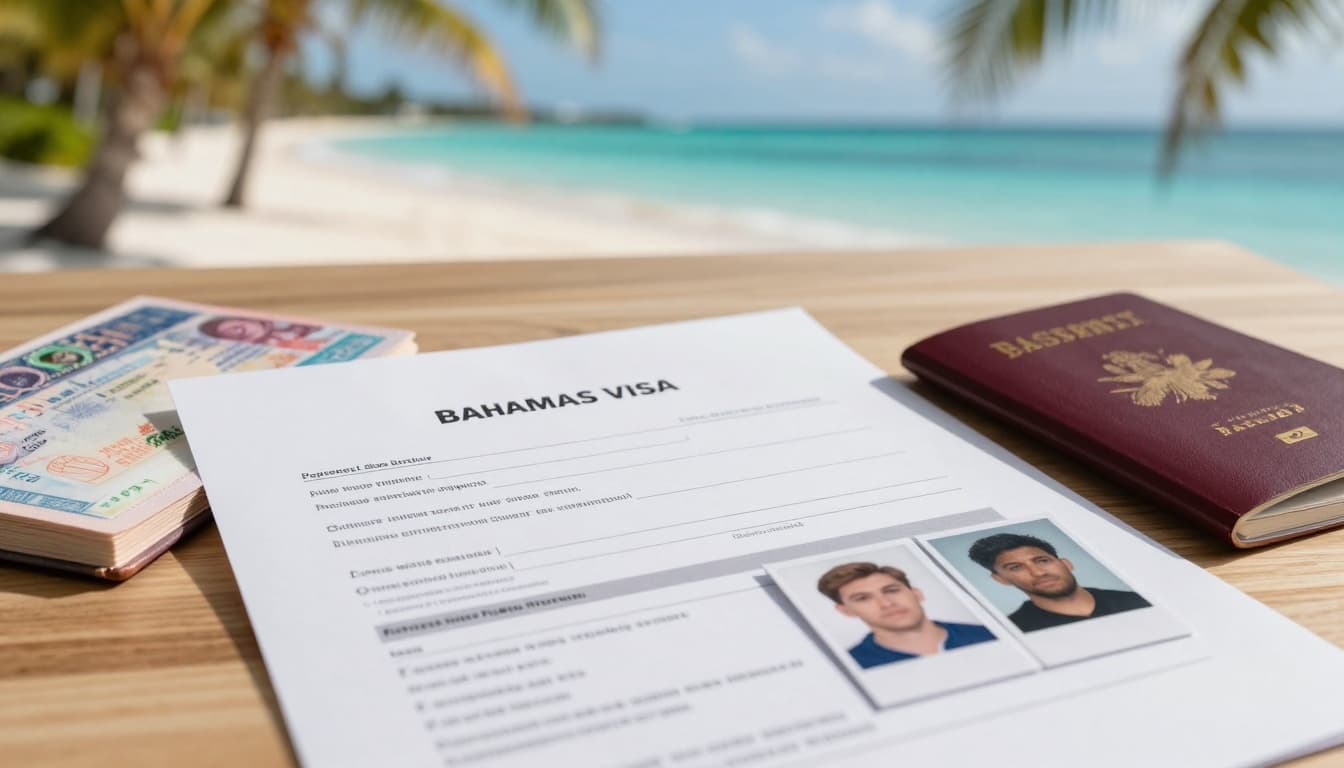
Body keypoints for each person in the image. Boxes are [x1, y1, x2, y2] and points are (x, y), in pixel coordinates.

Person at [817, 562, 994, 669]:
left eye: (892, 590)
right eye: (863, 598)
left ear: (916, 594)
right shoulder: (853, 664)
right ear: (846, 611)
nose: (886, 603)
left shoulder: (989, 634)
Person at [967, 532, 1150, 632]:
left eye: (1042, 560)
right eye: (1016, 567)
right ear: (1001, 579)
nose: (1038, 572)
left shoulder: (1138, 601)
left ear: (1066, 564)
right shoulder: (1015, 630)